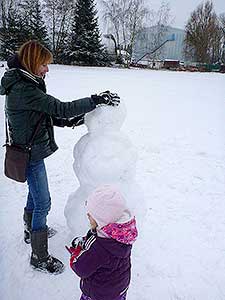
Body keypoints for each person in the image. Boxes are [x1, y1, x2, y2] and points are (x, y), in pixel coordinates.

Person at [0, 40, 120, 275]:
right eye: (44, 64)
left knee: (35, 196)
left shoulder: (26, 82)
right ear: (34, 62)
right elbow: (59, 108)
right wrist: (95, 99)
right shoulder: (25, 89)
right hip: (30, 154)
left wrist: (70, 120)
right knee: (43, 202)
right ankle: (39, 256)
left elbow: (44, 115)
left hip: (30, 150)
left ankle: (29, 229)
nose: (47, 69)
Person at [67, 185, 138, 300]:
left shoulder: (98, 247)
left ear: (102, 220)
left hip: (98, 294)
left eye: (90, 214)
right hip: (119, 288)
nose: (87, 215)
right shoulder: (124, 233)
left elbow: (81, 268)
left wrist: (75, 254)